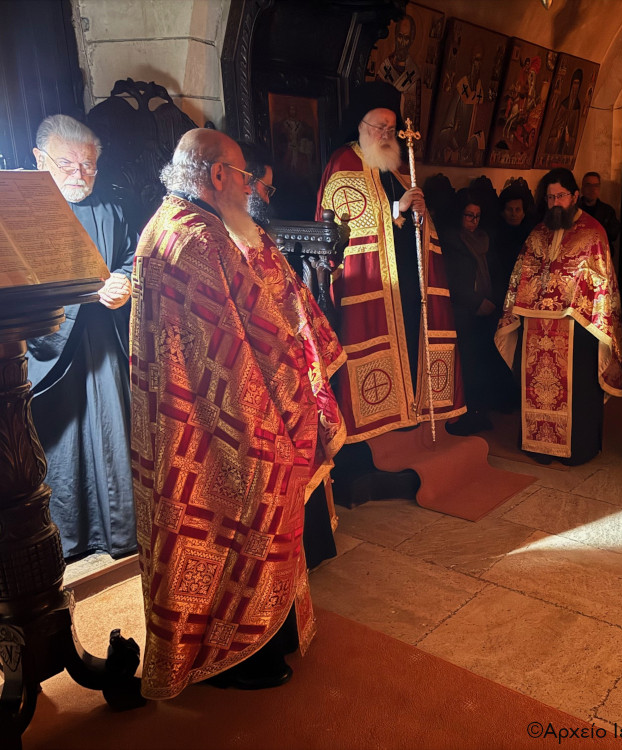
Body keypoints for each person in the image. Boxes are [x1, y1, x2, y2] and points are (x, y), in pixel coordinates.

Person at [130, 128, 346, 698]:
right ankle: (236, 653)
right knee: (259, 500)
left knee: (193, 526)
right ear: (217, 174)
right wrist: (300, 385)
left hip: (179, 417)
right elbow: (262, 334)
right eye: (245, 175)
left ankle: (205, 646)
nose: (250, 187)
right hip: (220, 415)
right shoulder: (202, 238)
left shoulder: (163, 223)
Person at [315, 82, 465, 502]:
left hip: (406, 292)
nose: (386, 133)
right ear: (360, 127)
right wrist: (397, 211)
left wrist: (416, 215)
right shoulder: (343, 165)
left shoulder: (399, 168)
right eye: (379, 126)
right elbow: (342, 233)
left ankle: (412, 418)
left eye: (391, 127)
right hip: (367, 293)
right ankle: (372, 445)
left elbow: (416, 231)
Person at [26, 114, 137, 559]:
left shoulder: (109, 207)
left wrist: (124, 282)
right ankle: (64, 537)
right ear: (39, 159)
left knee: (111, 436)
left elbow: (131, 256)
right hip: (45, 343)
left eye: (89, 165)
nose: (80, 175)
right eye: (67, 164)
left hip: (101, 340)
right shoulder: (19, 209)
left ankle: (117, 533)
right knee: (61, 443)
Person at [236, 140, 343, 569]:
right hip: (257, 368)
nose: (266, 198)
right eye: (265, 188)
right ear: (242, 182)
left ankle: (312, 544)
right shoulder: (225, 234)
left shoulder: (252, 230)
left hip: (287, 361)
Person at [496, 168, 622, 465]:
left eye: (561, 196)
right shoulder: (538, 232)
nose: (555, 202)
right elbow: (522, 276)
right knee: (535, 387)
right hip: (536, 327)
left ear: (575, 196)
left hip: (576, 328)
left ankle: (577, 449)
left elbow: (601, 283)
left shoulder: (593, 232)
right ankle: (537, 445)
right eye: (550, 196)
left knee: (577, 390)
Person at [443, 192, 515, 433]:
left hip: (487, 311)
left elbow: (495, 272)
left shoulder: (484, 239)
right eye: (468, 216)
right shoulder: (451, 241)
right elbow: (450, 279)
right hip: (463, 313)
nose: (473, 221)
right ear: (458, 215)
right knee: (467, 366)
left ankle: (481, 410)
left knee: (484, 363)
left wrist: (492, 300)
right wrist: (475, 302)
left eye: (477, 216)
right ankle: (466, 415)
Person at [493, 180, 535, 288]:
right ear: (502, 211)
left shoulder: (532, 235)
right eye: (509, 209)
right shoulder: (494, 235)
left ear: (524, 212)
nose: (514, 214)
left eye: (518, 210)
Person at [579, 172, 621, 264]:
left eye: (596, 185)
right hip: (579, 258)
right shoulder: (574, 210)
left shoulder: (608, 211)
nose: (592, 189)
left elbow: (613, 235)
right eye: (588, 185)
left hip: (600, 258)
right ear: (582, 188)